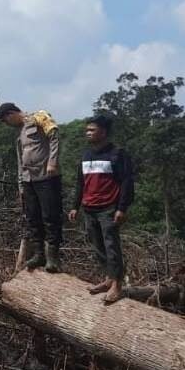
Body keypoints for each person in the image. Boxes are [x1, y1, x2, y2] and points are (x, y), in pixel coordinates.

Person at [68, 115, 134, 304]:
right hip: (89, 208)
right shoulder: (86, 155)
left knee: (112, 246)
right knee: (98, 246)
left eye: (92, 130)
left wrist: (122, 208)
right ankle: (108, 279)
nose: (88, 133)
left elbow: (127, 182)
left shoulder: (117, 154)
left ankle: (117, 285)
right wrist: (75, 206)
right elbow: (81, 183)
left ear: (103, 132)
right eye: (87, 130)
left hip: (108, 208)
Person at [0, 102, 62, 272]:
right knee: (33, 218)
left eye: (5, 120)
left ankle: (52, 258)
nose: (6, 124)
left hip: (46, 177)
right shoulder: (19, 133)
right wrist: (20, 185)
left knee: (50, 217)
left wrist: (52, 162)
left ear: (11, 114)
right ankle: (38, 255)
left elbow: (54, 134)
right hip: (28, 180)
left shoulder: (38, 117)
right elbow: (20, 161)